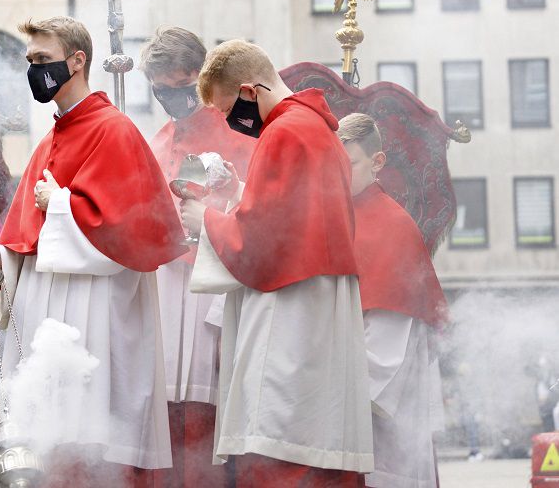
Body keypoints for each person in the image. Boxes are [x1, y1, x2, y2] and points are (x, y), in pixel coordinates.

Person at [0, 15, 186, 486]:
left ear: (77, 61)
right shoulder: (51, 138)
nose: (35, 69)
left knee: (87, 453)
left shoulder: (115, 130)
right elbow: (30, 241)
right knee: (47, 449)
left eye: (43, 59)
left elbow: (133, 235)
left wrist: (59, 204)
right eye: (30, 61)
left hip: (92, 313)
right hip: (46, 312)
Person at [181, 40, 373, 486]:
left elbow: (259, 243)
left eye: (231, 109)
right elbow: (292, 214)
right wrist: (240, 192)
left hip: (292, 309)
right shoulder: (313, 128)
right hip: (315, 297)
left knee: (279, 448)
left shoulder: (283, 132)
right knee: (315, 447)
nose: (233, 123)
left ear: (251, 90)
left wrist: (204, 219)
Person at [140, 26, 255, 487]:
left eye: (182, 88)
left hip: (215, 291)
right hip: (165, 290)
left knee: (212, 410)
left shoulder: (241, 133)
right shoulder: (157, 142)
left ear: (202, 79)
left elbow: (259, 214)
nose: (173, 100)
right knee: (164, 409)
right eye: (161, 92)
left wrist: (212, 212)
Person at [337, 112, 448, 488]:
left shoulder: (394, 226)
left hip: (378, 404)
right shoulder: (332, 215)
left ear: (377, 161)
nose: (337, 174)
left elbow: (383, 351)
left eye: (349, 164)